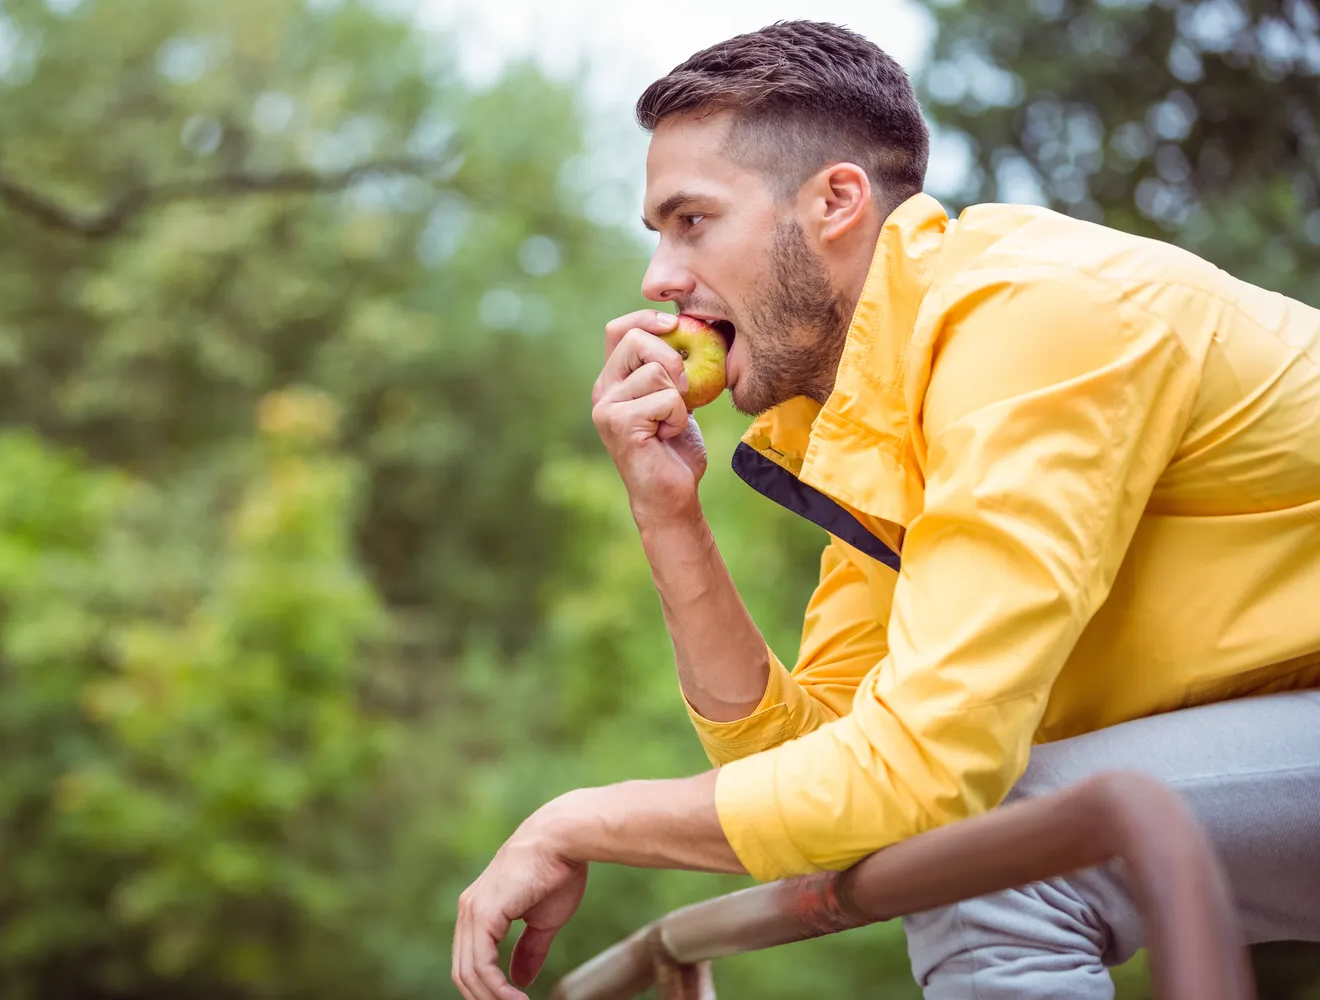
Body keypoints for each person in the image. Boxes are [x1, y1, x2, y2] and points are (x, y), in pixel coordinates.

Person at [450, 19, 1320, 1000]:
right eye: (656, 233)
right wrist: (668, 516)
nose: (658, 276)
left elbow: (921, 772)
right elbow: (814, 772)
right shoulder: (888, 415)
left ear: (835, 201)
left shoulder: (1031, 320)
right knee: (985, 839)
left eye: (689, 219)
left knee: (1001, 850)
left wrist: (577, 819)